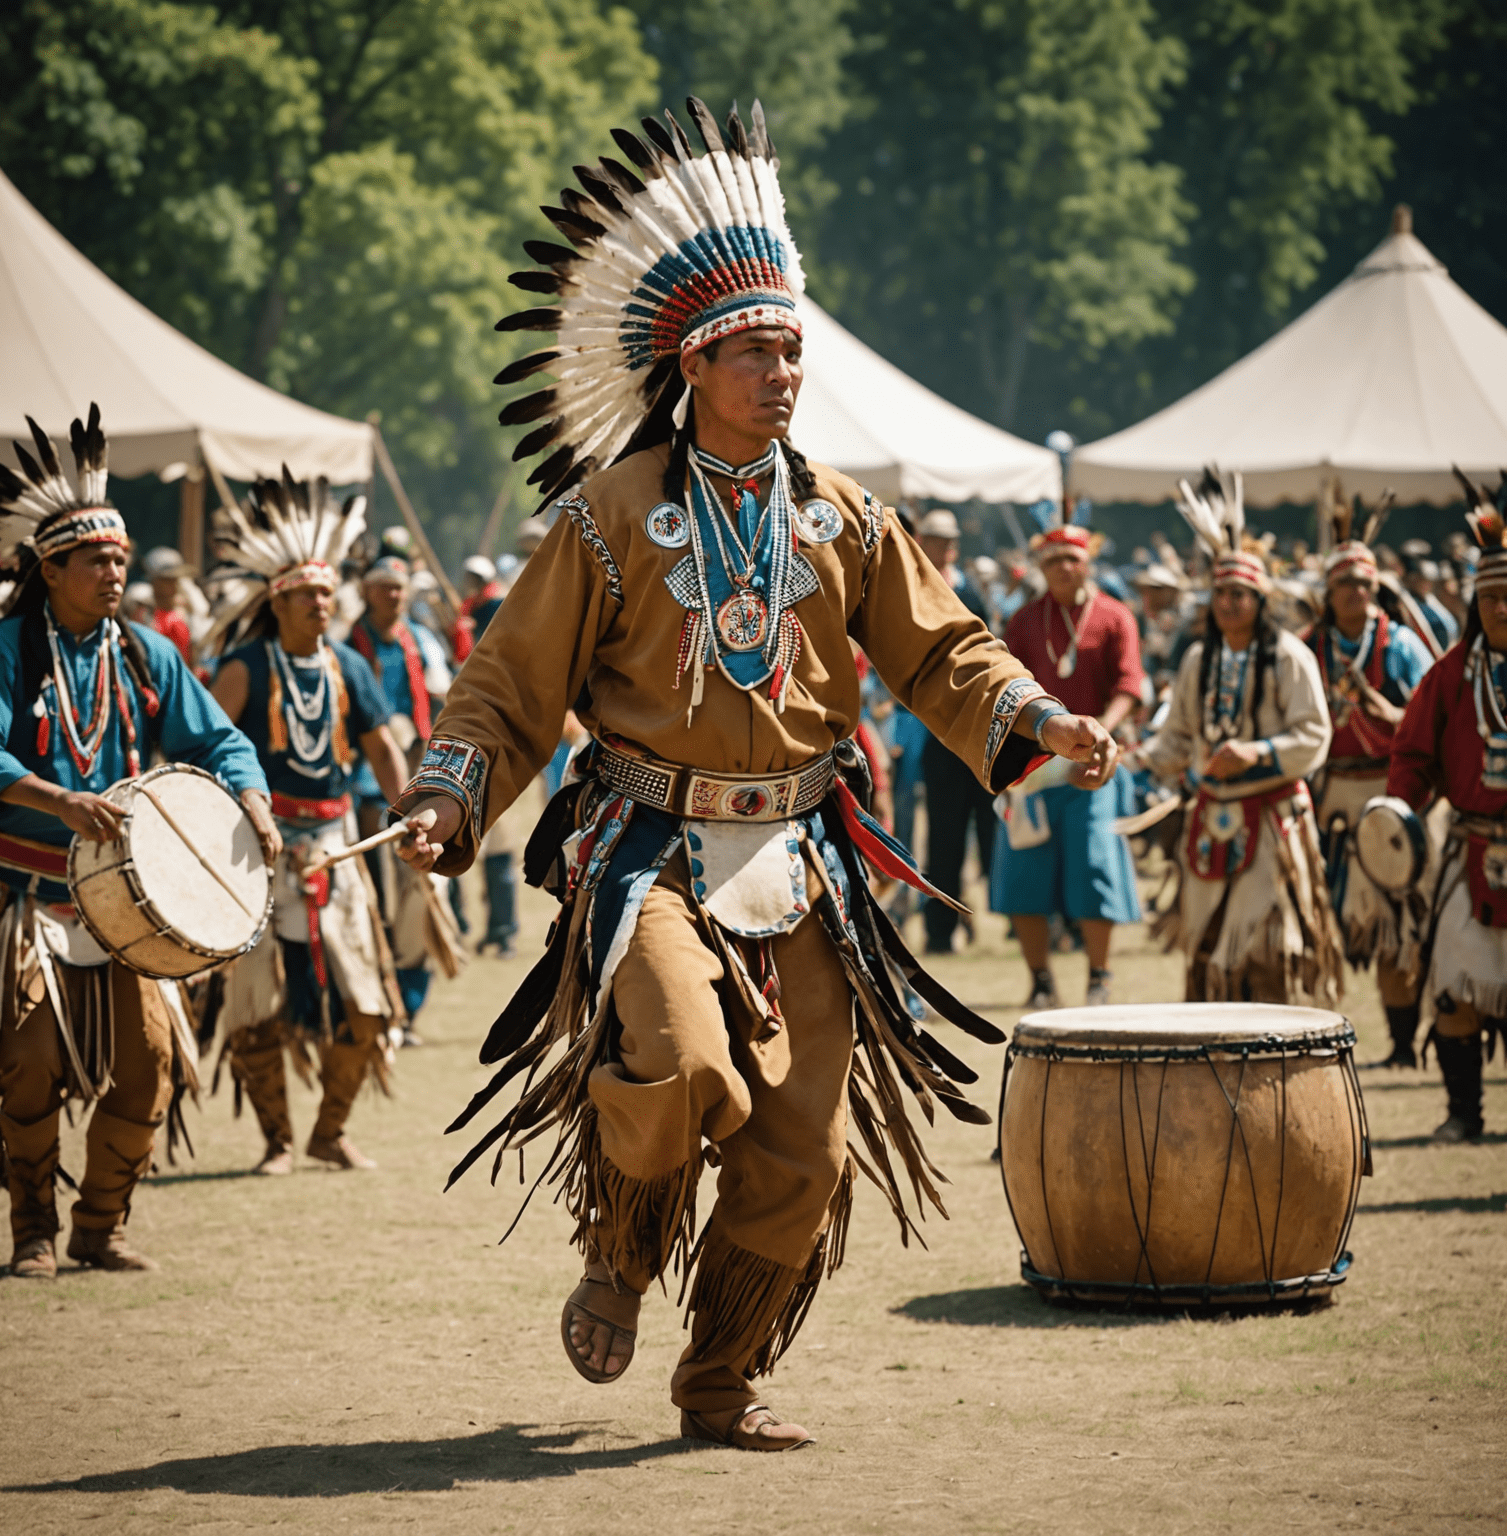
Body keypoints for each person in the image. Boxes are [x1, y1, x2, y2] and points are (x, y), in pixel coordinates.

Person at [391, 98, 1118, 1452]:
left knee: (804, 1154)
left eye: (793, 350)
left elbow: (945, 652)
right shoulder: (611, 518)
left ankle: (717, 1380)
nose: (784, 372)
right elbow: (508, 684)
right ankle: (621, 1239)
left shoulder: (840, 515)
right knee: (674, 1067)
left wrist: (1043, 717)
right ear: (693, 362)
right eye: (756, 351)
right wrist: (449, 789)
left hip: (801, 862)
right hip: (648, 849)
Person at [0, 406, 275, 1276]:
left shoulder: (145, 654)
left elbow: (219, 741)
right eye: (96, 560)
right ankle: (31, 1226)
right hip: (26, 892)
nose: (114, 571)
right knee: (27, 1063)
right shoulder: (0, 652)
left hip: (129, 900)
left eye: (120, 558)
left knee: (149, 1069)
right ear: (52, 568)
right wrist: (58, 800)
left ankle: (99, 1227)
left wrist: (251, 802)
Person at [202, 470, 412, 1176]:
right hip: (252, 849)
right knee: (254, 1003)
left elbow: (383, 745)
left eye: (328, 592)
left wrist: (409, 807)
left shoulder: (348, 665)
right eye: (308, 595)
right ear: (278, 601)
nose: (323, 603)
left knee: (366, 1001)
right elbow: (205, 749)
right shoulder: (243, 667)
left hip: (334, 845)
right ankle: (278, 1142)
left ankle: (329, 1130)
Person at [1133, 469, 1341, 1004]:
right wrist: (1136, 761)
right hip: (1210, 819)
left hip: (1272, 819)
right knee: (1207, 952)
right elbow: (1176, 738)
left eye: (1241, 594)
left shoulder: (1289, 657)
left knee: (1266, 947)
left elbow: (1315, 733)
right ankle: (1213, 1065)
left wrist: (1258, 751)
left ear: (1261, 598)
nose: (1228, 603)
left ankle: (1269, 1059)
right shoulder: (1199, 660)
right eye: (1221, 593)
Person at [1385, 473, 1507, 1141]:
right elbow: (1412, 758)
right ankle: (1465, 1113)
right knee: (1455, 985)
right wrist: (1397, 821)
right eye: (1491, 597)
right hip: (1472, 850)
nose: (1503, 608)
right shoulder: (1452, 674)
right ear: (1474, 602)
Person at [1306, 488, 1438, 1067]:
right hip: (1331, 796)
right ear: (1328, 594)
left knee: (1394, 925)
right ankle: (1319, 1040)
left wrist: (1380, 710)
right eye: (1343, 585)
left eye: (1363, 584)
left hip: (1391, 794)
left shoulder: (1401, 644)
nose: (1355, 594)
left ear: (1376, 588)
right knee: (1325, 923)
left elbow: (1429, 718)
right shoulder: (1309, 647)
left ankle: (1405, 1044)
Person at [995, 524, 1146, 1006]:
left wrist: (1100, 730)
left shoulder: (1114, 617)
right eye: (1054, 560)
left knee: (1094, 866)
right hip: (1032, 768)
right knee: (1025, 870)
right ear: (1041, 566)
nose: (1063, 568)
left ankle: (1099, 977)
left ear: (1088, 563)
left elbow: (1130, 685)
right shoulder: (1023, 622)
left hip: (1096, 767)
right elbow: (1004, 688)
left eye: (1072, 559)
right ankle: (1040, 980)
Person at [349, 555, 463, 1040]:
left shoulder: (423, 643)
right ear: (367, 592)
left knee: (422, 893)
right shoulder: (345, 649)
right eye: (382, 587)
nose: (392, 595)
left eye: (398, 587)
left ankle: (408, 1009)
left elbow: (449, 700)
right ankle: (378, 1006)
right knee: (371, 903)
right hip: (361, 791)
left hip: (417, 784)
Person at [914, 509, 999, 952]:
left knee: (992, 833)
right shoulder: (908, 586)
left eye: (948, 540)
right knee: (943, 840)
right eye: (934, 538)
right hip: (938, 733)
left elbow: (987, 645)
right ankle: (940, 930)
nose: (943, 546)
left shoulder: (969, 588)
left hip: (980, 731)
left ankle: (1007, 919)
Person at [141, 546, 197, 664]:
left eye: (175, 579)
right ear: (154, 581)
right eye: (167, 580)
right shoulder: (143, 612)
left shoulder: (183, 615)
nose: (174, 584)